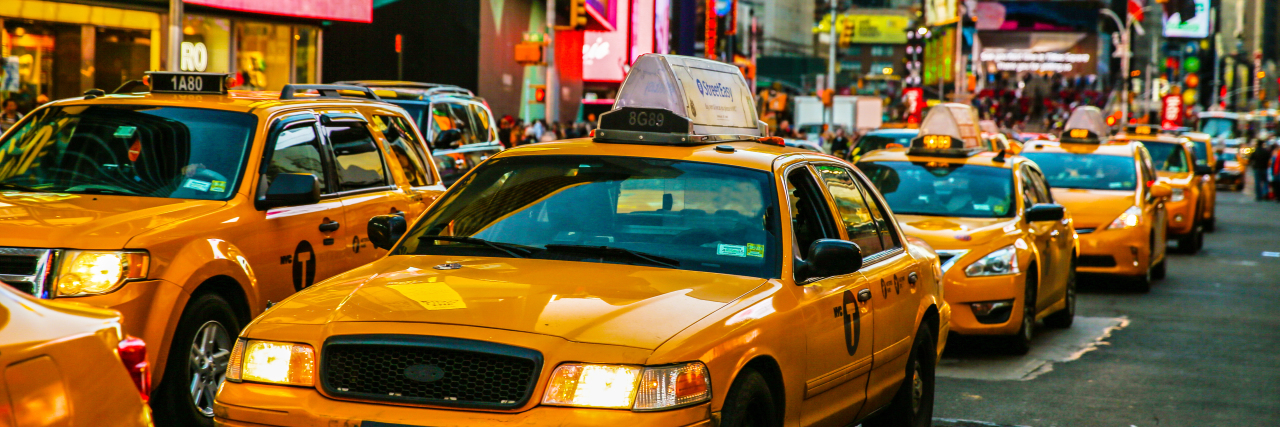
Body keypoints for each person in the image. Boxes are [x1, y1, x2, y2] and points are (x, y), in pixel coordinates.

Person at [1248, 137, 1273, 201]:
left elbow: (1250, 160)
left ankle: (1259, 196)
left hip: (1257, 168)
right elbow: (1269, 158)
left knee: (1257, 183)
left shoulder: (1255, 151)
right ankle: (1265, 193)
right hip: (1264, 168)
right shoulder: (1266, 151)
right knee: (1265, 182)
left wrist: (1252, 165)